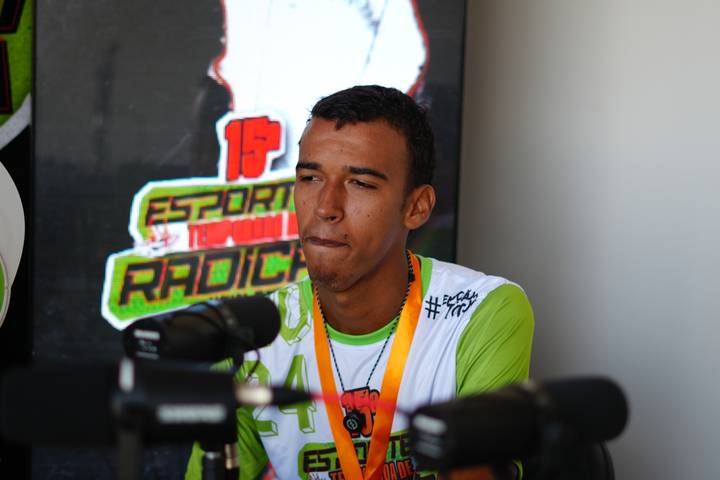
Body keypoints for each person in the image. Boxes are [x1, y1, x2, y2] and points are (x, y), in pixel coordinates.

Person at [186, 85, 534, 480]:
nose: (325, 207)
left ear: (416, 207)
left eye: (360, 183)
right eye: (310, 177)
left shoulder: (481, 311)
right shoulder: (249, 337)